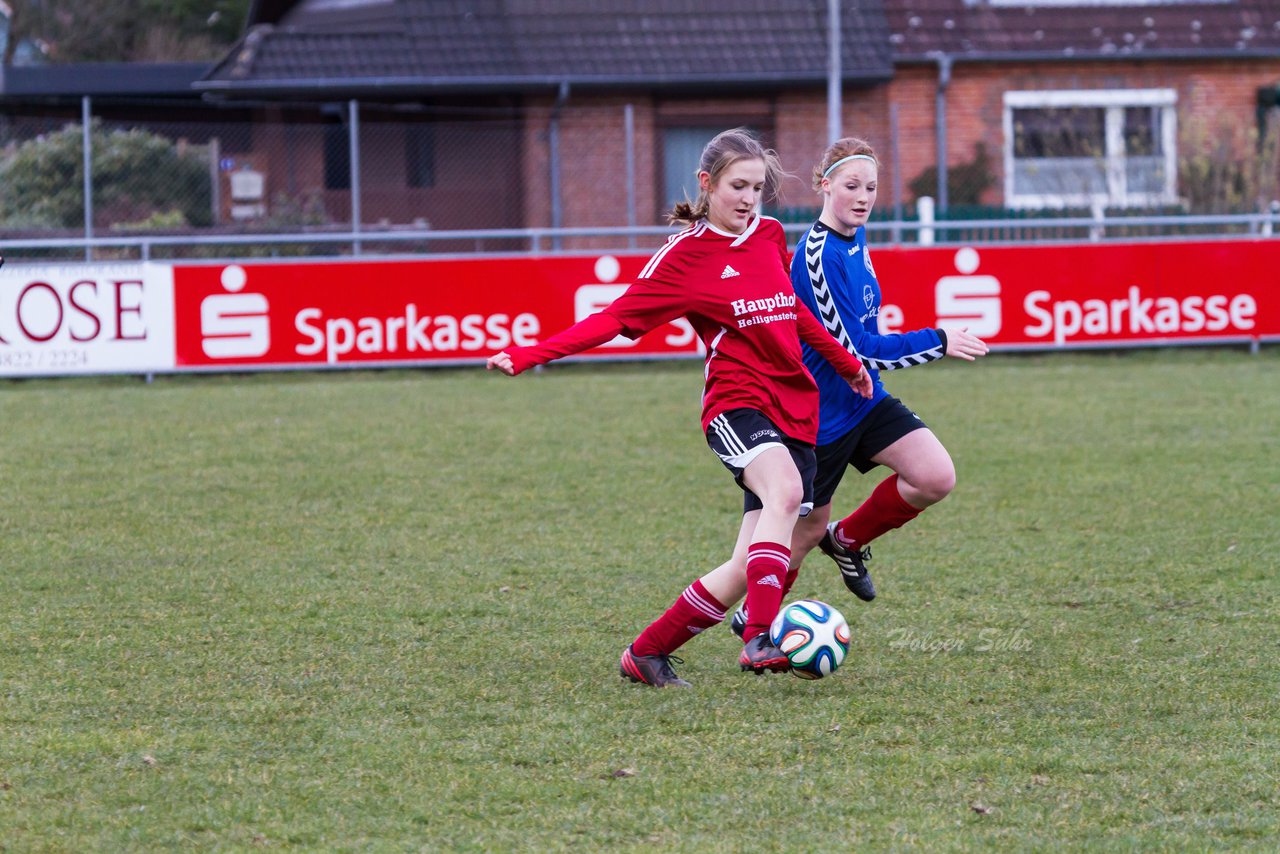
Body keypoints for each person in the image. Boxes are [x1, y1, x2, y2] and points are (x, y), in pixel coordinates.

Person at [487, 128, 873, 687]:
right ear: (706, 183)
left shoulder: (768, 235)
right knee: (786, 494)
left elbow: (789, 310)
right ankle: (759, 638)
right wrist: (531, 355)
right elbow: (613, 319)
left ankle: (646, 653)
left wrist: (845, 362)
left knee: (746, 567)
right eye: (738, 186)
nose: (748, 199)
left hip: (796, 410)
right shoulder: (683, 259)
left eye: (758, 188)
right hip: (736, 405)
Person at [783, 137, 989, 603]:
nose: (863, 197)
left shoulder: (855, 237)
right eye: (851, 185)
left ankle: (848, 541)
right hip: (824, 417)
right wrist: (937, 341)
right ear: (824, 184)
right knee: (803, 532)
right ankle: (757, 625)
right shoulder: (818, 257)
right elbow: (857, 350)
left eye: (871, 187)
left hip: (865, 399)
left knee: (935, 476)